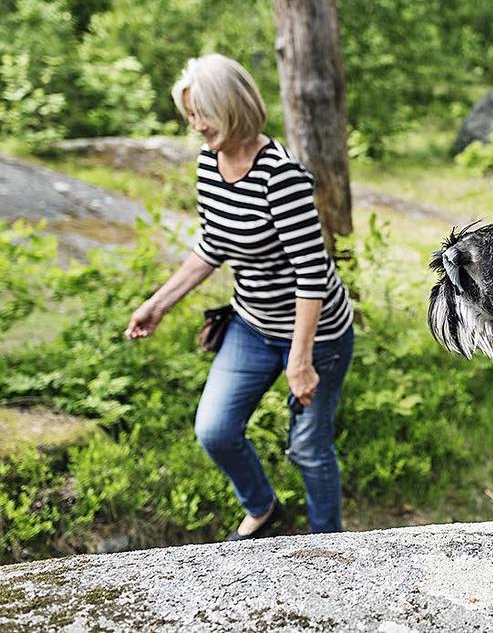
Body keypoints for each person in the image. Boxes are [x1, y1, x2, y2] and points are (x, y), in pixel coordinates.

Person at [124, 53, 355, 538]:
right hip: (252, 324)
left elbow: (313, 272)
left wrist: (301, 358)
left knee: (309, 448)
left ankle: (329, 548)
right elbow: (213, 244)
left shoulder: (281, 176)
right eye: (188, 114)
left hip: (317, 334)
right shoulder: (210, 162)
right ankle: (263, 509)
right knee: (216, 430)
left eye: (200, 113)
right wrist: (158, 304)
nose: (194, 126)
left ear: (231, 106)